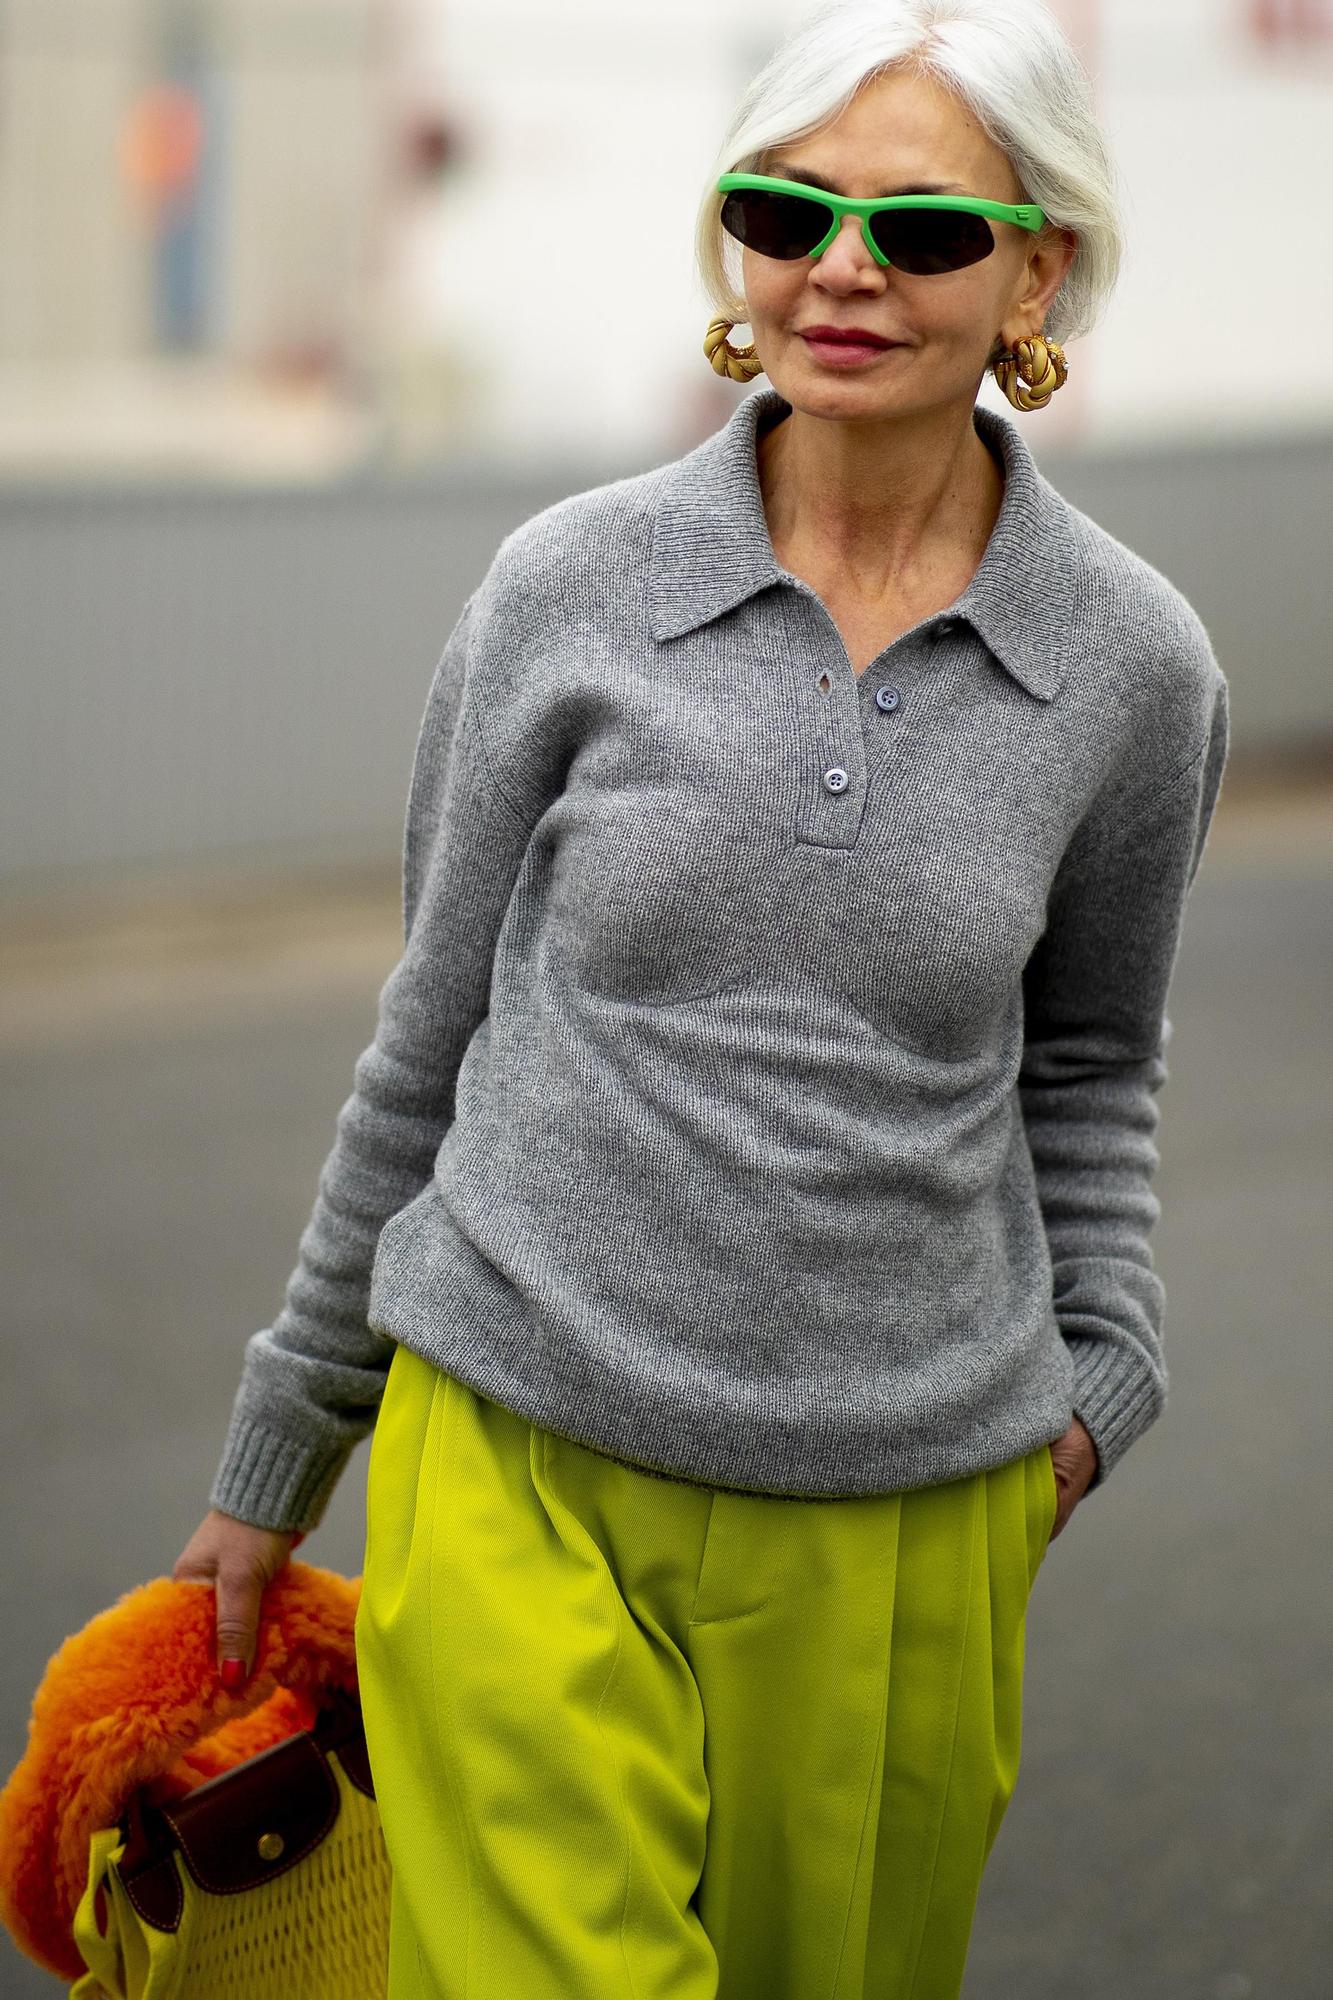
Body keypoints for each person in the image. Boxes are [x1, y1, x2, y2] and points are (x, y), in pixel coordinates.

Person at [173, 3, 1230, 1994]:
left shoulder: (1135, 671)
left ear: (1034, 270)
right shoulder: (563, 588)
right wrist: (276, 1454)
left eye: (918, 229)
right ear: (736, 251)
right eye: (786, 209)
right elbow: (432, 1035)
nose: (842, 265)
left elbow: (1090, 1064)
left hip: (907, 1516)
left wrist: (1101, 1384)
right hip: (517, 1454)